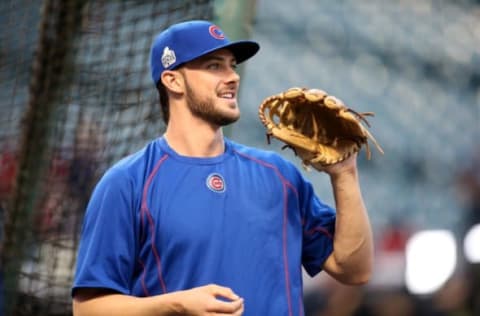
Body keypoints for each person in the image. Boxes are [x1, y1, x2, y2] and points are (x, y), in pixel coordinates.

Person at [71, 20, 373, 316]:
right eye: (215, 66)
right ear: (173, 80)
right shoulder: (128, 182)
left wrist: (345, 173)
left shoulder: (279, 175)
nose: (233, 77)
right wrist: (175, 305)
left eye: (233, 65)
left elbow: (354, 270)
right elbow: (87, 309)